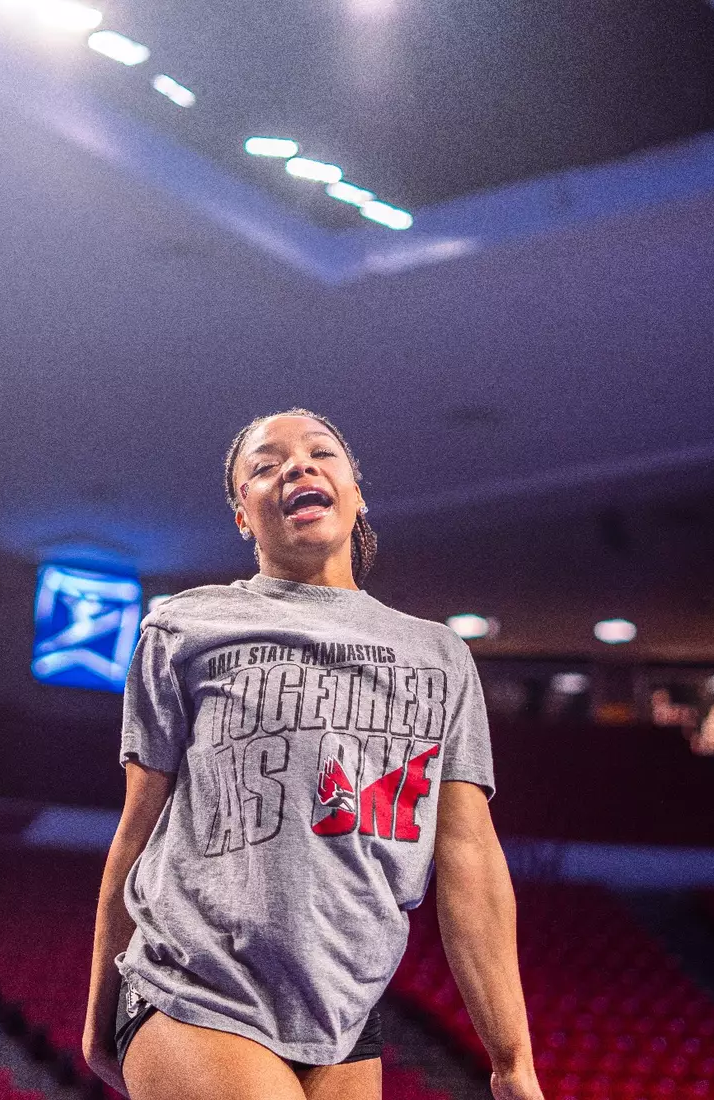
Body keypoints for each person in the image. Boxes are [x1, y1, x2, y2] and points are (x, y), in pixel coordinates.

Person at [83, 409, 543, 1100]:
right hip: (194, 985)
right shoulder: (185, 626)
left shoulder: (440, 656)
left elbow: (469, 858)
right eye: (265, 465)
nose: (298, 466)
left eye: (320, 453)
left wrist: (512, 1061)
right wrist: (102, 1007)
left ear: (355, 491)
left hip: (342, 1018)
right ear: (244, 514)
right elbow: (137, 830)